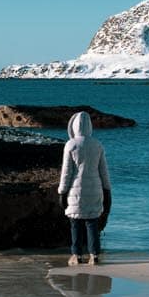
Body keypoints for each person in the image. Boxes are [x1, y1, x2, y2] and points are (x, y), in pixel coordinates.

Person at [58, 110, 112, 266]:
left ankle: (76, 255)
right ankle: (94, 255)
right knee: (92, 223)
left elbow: (66, 172)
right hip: (95, 190)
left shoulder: (71, 145)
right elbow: (104, 172)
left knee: (75, 223)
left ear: (73, 127)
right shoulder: (97, 145)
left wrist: (62, 191)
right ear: (89, 126)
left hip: (75, 191)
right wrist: (107, 190)